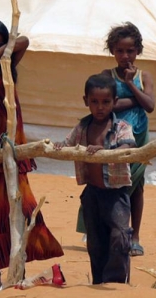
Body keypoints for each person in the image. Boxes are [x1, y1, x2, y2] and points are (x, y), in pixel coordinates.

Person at [0, 18, 63, 288]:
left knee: (24, 206)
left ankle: (18, 262)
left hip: (13, 146)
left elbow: (23, 41)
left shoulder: (5, 65)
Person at [55, 74, 136, 284]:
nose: (100, 107)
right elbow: (67, 144)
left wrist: (106, 151)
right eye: (95, 102)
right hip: (92, 194)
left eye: (106, 102)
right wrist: (57, 147)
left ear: (114, 102)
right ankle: (98, 281)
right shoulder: (82, 127)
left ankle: (116, 282)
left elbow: (129, 146)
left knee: (119, 236)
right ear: (86, 102)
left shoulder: (121, 127)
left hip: (115, 194)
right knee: (95, 242)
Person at [102, 22, 154, 257]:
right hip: (114, 136)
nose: (125, 56)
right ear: (112, 50)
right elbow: (108, 104)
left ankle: (135, 236)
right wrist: (137, 99)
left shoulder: (144, 76)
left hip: (139, 137)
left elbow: (151, 106)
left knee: (137, 187)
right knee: (111, 183)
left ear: (138, 51)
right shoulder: (106, 76)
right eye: (120, 51)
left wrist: (131, 84)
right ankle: (110, 230)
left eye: (130, 51)